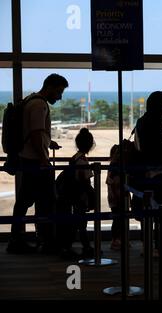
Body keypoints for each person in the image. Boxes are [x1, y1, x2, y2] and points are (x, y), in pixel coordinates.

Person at [7, 73, 68, 254]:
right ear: (49, 87)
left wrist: (48, 142)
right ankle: (46, 241)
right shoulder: (39, 105)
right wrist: (43, 159)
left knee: (25, 201)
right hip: (35, 162)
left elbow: (35, 133)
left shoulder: (30, 100)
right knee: (47, 202)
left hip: (29, 159)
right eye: (59, 92)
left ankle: (18, 239)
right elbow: (35, 133)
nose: (59, 96)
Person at [133, 91, 162, 258]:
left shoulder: (141, 121)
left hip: (142, 174)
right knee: (160, 212)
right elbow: (155, 149)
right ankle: (160, 246)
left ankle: (147, 246)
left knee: (147, 213)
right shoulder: (155, 122)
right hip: (156, 174)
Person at [70, 128, 96, 258]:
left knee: (78, 223)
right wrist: (92, 196)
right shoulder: (83, 161)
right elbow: (85, 182)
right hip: (80, 196)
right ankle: (86, 247)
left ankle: (77, 246)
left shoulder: (75, 158)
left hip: (74, 195)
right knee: (81, 223)